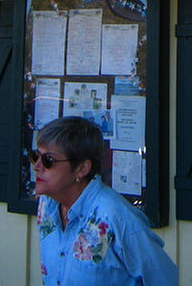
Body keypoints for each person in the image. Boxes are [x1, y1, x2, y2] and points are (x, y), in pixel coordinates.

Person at [32, 116, 177, 286]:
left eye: (48, 160)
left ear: (81, 168)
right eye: (35, 156)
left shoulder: (117, 217)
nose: (36, 166)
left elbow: (165, 279)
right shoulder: (47, 205)